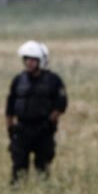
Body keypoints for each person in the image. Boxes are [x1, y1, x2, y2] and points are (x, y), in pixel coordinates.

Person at [5, 40, 67, 184]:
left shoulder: (53, 80)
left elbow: (61, 104)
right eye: (26, 59)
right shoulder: (18, 80)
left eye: (33, 59)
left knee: (43, 167)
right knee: (18, 168)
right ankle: (17, 193)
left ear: (41, 61)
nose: (29, 62)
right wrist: (10, 128)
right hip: (22, 130)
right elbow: (9, 107)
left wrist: (49, 123)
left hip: (43, 130)